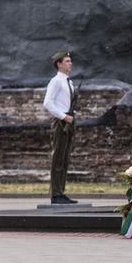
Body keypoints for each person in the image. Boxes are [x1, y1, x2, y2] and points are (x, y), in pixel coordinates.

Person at [43, 50, 78, 204]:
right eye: (67, 61)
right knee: (58, 158)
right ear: (59, 64)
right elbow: (47, 103)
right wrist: (63, 116)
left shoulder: (69, 82)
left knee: (65, 159)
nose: (70, 64)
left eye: (70, 61)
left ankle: (61, 192)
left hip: (69, 121)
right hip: (61, 122)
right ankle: (56, 194)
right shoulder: (56, 81)